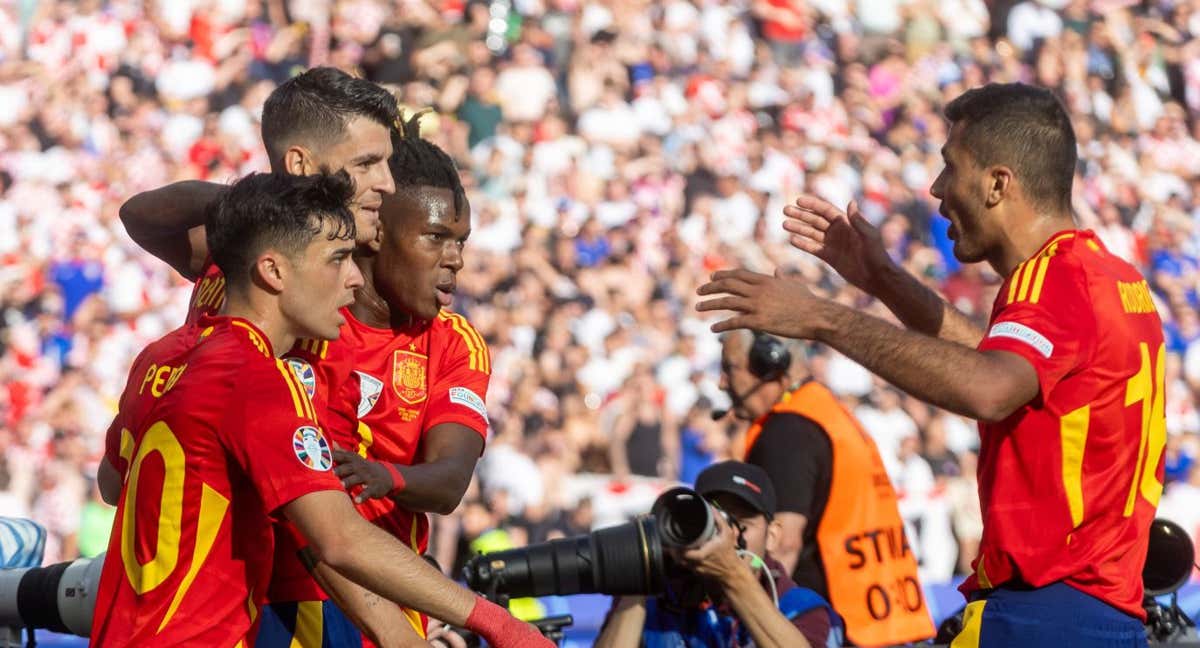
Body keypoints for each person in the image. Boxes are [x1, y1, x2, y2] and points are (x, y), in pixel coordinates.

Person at [697, 83, 1164, 646]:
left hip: (1042, 612)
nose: (938, 189)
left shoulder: (1055, 278)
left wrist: (822, 319)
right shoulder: (1112, 277)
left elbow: (988, 387)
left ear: (997, 184)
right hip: (1099, 610)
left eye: (950, 167)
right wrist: (882, 281)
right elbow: (997, 363)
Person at [90, 171, 550, 648]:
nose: (353, 280)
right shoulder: (262, 377)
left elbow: (111, 481)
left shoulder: (162, 354)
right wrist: (501, 625)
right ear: (273, 271)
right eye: (337, 260)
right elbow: (339, 538)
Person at [261, 111, 491, 646]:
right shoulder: (297, 316)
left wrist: (387, 477)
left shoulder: (456, 342)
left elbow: (451, 479)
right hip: (285, 595)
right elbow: (149, 215)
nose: (455, 260)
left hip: (394, 613)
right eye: (435, 237)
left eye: (461, 240)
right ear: (375, 230)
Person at [715, 329, 934, 645]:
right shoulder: (827, 413)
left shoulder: (787, 430)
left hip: (834, 626)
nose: (722, 382)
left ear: (770, 363)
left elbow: (781, 545)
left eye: (730, 367)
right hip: (887, 617)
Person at [596, 460, 841, 648]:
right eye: (716, 521)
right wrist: (642, 571)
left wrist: (732, 575)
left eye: (741, 523)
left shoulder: (799, 606)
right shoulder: (655, 598)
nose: (728, 534)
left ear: (773, 535)